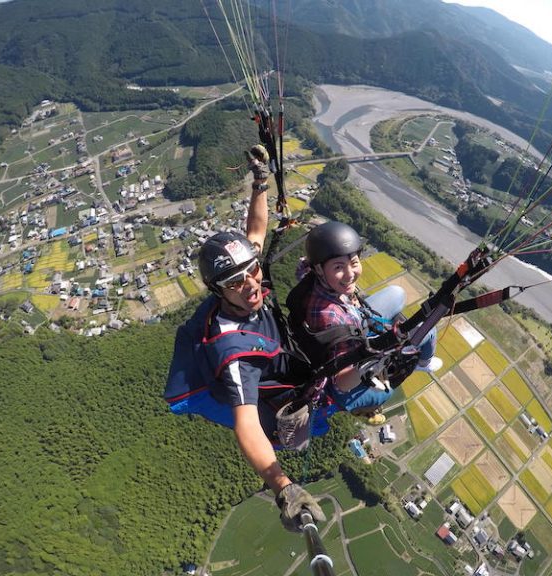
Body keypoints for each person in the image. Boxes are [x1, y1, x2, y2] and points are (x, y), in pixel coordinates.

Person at [165, 146, 324, 532]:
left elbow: (255, 232)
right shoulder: (232, 350)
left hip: (283, 353)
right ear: (218, 292)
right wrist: (283, 486)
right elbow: (246, 425)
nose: (252, 284)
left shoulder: (244, 276)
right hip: (277, 392)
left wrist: (259, 181)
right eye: (236, 282)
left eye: (253, 271)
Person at [295, 221, 443, 425]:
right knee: (428, 330)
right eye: (339, 267)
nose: (350, 274)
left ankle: (409, 355)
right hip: (345, 387)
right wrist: (374, 353)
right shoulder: (331, 319)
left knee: (397, 293)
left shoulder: (311, 276)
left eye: (354, 262)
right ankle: (422, 364)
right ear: (320, 269)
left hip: (351, 329)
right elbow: (342, 383)